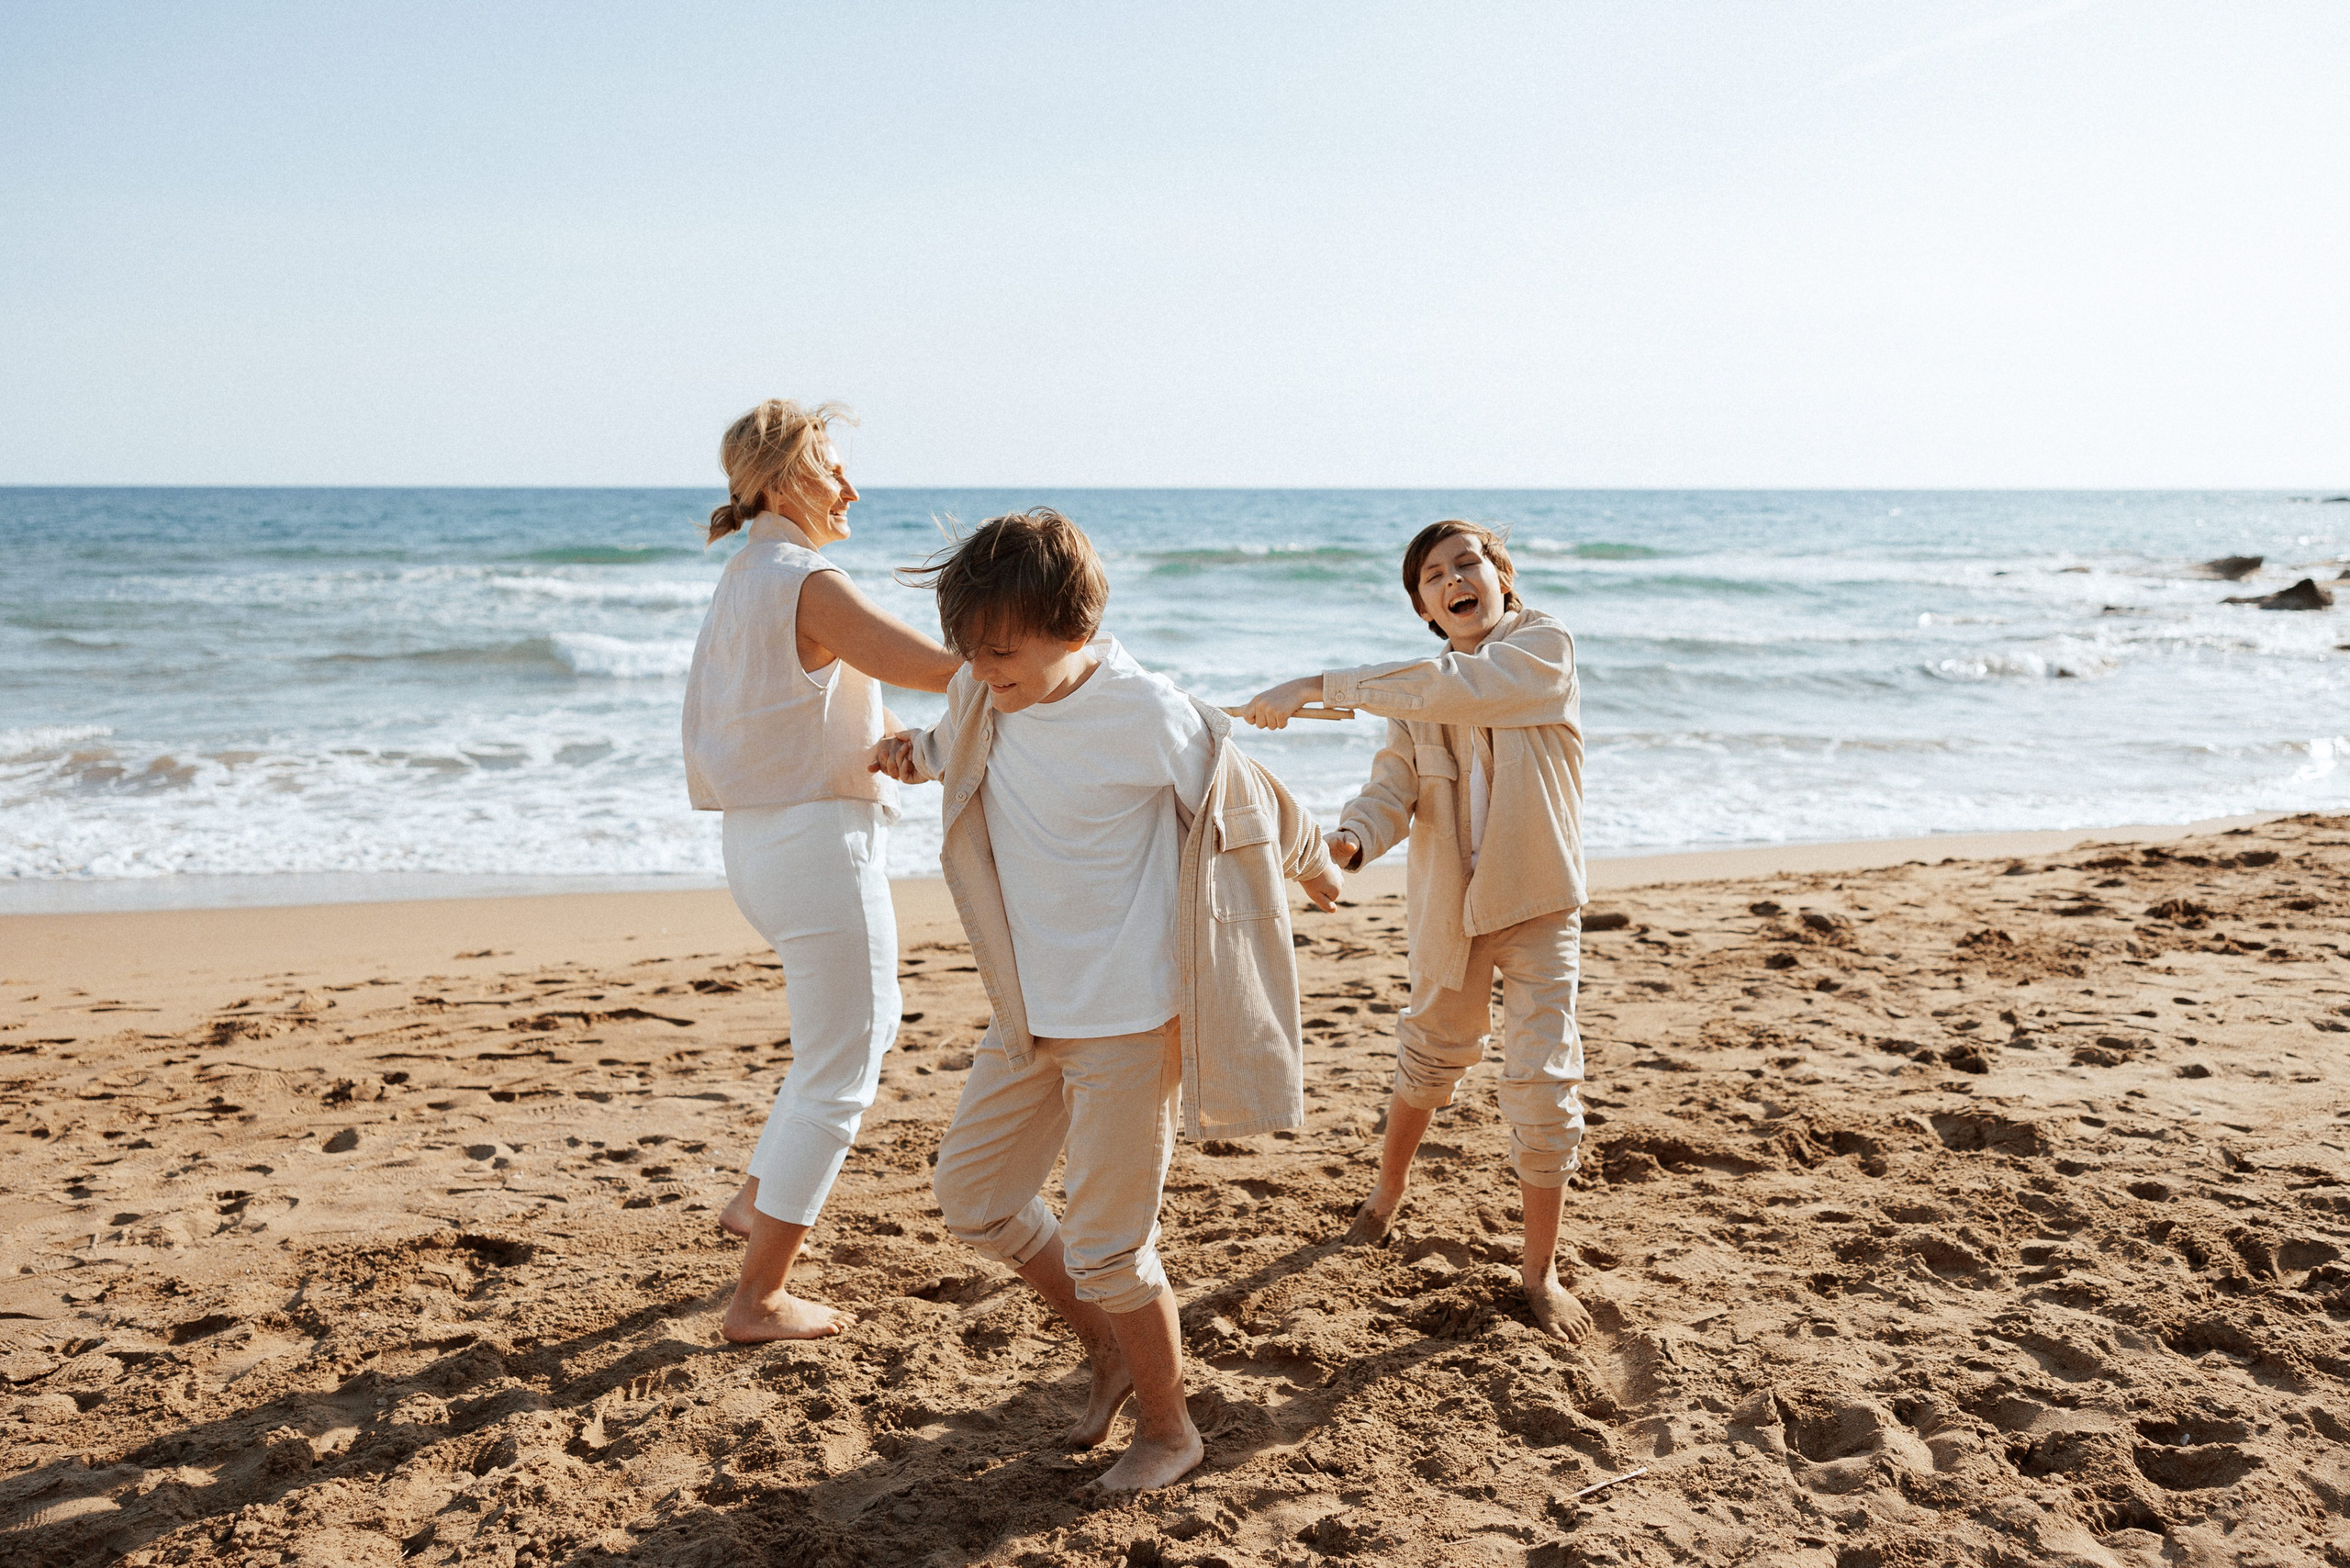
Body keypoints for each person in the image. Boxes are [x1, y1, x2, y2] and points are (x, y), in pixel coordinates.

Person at [870, 508, 1342, 1491]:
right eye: (968, 648)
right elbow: (950, 737)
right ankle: (1110, 1348)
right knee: (975, 1194)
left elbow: (1242, 787)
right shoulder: (983, 693)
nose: (981, 667)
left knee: (1108, 1243)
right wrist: (907, 755)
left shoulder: (1143, 709)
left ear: (1072, 627)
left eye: (1002, 650)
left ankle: (1171, 1430)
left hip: (1131, 1016)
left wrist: (1310, 865)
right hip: (1029, 1011)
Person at [1239, 519, 1593, 1343]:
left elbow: (1461, 689)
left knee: (1543, 1086)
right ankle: (1386, 1193)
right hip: (1449, 910)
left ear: (1502, 575)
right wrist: (1350, 840)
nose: (1454, 579)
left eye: (1468, 563)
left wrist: (1319, 684)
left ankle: (1539, 1270)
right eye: (1433, 576)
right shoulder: (1417, 696)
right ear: (1424, 607)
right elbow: (1392, 787)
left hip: (1538, 904)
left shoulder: (1543, 649)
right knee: (1429, 1057)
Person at [681, 398, 962, 1341]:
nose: (851, 487)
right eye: (831, 468)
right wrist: (1052, 662)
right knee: (847, 1060)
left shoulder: (742, 576)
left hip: (759, 846)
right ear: (781, 480)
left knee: (851, 1034)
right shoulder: (805, 576)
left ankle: (753, 1199)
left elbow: (785, 714)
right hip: (816, 848)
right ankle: (757, 1297)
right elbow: (932, 666)